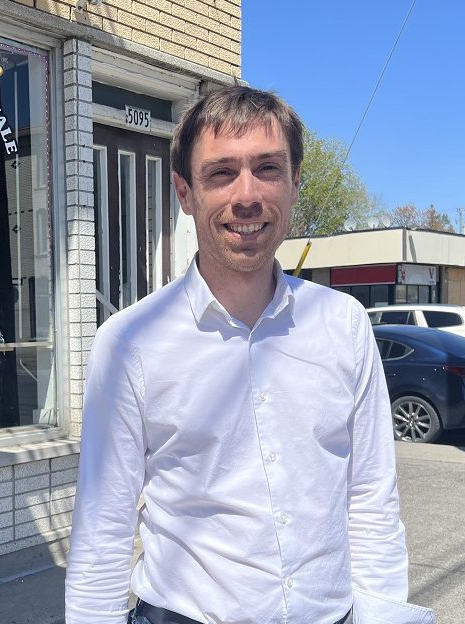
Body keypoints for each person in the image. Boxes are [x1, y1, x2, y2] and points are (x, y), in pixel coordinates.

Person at [64, 86, 426, 624]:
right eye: (221, 173)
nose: (247, 195)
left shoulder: (343, 323)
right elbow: (104, 526)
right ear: (185, 193)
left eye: (268, 168)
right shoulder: (129, 343)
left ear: (296, 182)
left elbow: (371, 496)